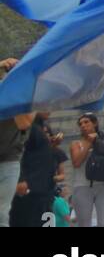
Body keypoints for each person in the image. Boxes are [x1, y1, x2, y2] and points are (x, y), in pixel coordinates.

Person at [68, 112, 104, 228]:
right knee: (84, 224)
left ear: (95, 123)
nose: (83, 125)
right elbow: (76, 162)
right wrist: (89, 143)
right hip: (83, 186)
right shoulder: (76, 144)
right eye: (80, 124)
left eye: (86, 122)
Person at [10, 113, 65, 228]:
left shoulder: (38, 127)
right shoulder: (26, 125)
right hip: (29, 192)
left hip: (43, 192)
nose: (49, 109)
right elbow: (16, 152)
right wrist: (21, 178)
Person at [0, 56, 35, 228]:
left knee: (1, 213)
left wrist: (12, 92)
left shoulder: (28, 98)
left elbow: (24, 123)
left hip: (9, 159)